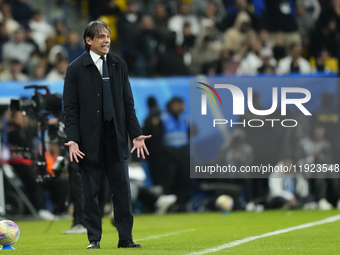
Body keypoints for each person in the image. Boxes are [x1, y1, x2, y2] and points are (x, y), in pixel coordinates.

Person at [63, 20, 151, 249]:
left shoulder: (118, 65)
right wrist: (72, 139)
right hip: (88, 140)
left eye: (108, 35)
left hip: (116, 136)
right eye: (101, 36)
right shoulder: (75, 69)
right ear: (89, 40)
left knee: (122, 191)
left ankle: (126, 238)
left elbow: (127, 104)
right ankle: (94, 239)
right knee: (90, 194)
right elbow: (70, 109)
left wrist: (136, 134)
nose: (107, 40)